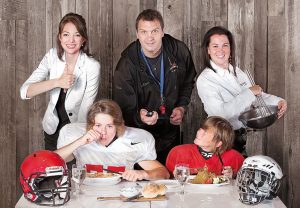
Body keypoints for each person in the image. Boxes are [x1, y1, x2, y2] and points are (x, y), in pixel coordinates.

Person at [113, 9, 196, 165]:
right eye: (144, 32)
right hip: (138, 136)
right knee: (141, 182)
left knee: (169, 180)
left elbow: (188, 81)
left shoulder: (179, 51)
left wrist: (181, 107)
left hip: (170, 130)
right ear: (137, 34)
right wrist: (139, 117)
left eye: (155, 31)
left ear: (162, 32)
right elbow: (122, 109)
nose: (149, 37)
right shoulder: (126, 64)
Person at [196, 26, 287, 155]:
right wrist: (249, 92)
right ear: (208, 50)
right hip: (219, 140)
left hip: (239, 136)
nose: (221, 50)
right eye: (215, 46)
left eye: (225, 45)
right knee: (223, 175)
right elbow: (221, 114)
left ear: (230, 48)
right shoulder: (205, 79)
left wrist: (279, 101)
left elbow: (256, 96)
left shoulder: (237, 71)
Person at [20, 13, 100, 151]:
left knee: (73, 171)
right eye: (66, 34)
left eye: (77, 35)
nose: (71, 40)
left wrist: (77, 140)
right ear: (60, 37)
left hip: (76, 131)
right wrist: (57, 82)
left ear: (83, 39)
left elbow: (85, 109)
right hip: (52, 128)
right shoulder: (51, 56)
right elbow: (24, 91)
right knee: (52, 171)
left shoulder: (92, 66)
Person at [55, 99, 170, 181]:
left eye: (109, 126)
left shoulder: (134, 140)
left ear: (119, 126)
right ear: (91, 125)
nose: (103, 132)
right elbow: (53, 162)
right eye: (98, 125)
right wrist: (80, 142)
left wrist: (143, 173)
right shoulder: (77, 136)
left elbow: (163, 173)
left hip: (121, 197)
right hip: (85, 195)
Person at [166, 116, 244, 179]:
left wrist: (233, 176)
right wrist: (174, 177)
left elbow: (244, 182)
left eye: (205, 133)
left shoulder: (234, 157)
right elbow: (166, 180)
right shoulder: (179, 152)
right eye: (201, 129)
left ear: (218, 143)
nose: (199, 132)